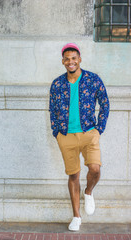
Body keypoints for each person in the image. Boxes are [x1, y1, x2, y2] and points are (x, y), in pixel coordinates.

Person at [49, 43, 109, 231]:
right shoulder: (57, 83)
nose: (70, 61)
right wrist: (56, 132)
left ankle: (88, 191)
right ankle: (76, 216)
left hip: (89, 133)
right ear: (63, 61)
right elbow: (52, 109)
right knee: (73, 175)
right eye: (67, 59)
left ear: (80, 59)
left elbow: (105, 103)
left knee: (95, 169)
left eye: (74, 58)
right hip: (66, 136)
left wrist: (99, 128)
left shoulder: (92, 79)